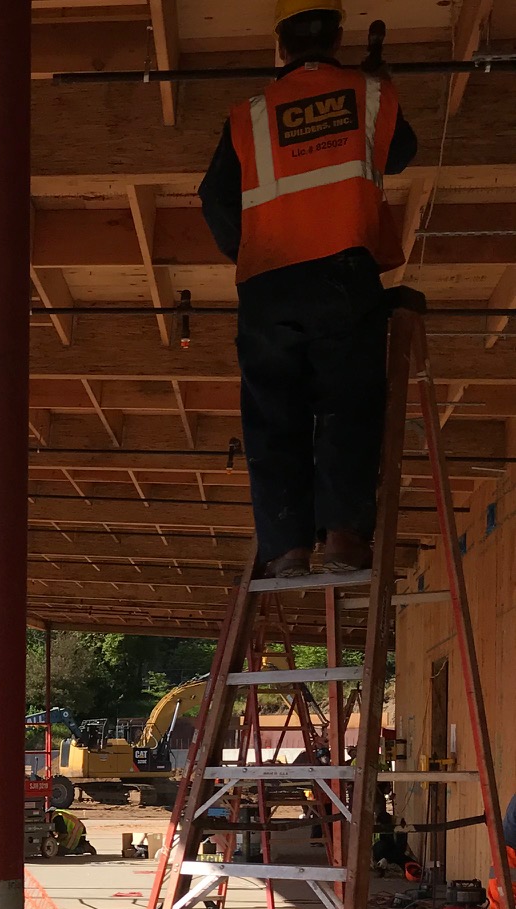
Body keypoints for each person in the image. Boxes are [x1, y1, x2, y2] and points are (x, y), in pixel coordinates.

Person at [198, 0, 415, 578]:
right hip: (343, 273)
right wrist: (377, 81)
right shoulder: (368, 95)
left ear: (281, 43)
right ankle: (343, 538)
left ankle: (287, 550)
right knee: (349, 402)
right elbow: (402, 153)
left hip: (268, 282)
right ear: (338, 34)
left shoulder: (249, 114)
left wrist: (251, 251)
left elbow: (216, 198)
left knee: (272, 414)